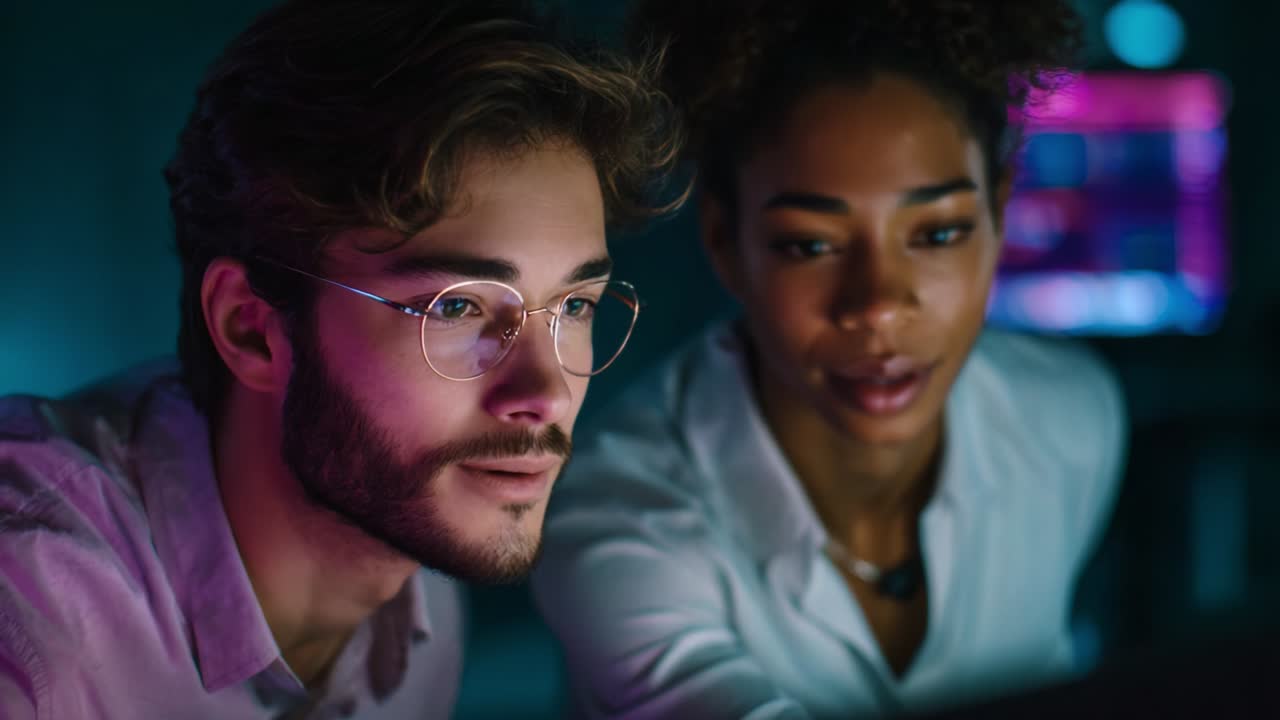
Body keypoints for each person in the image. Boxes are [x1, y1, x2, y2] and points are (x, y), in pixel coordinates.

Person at [0, 0, 682, 717]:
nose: (547, 395)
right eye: (457, 308)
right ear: (252, 329)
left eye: (574, 306)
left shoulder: (423, 581)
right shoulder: (32, 631)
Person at [532, 1, 1127, 717]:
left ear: (998, 215)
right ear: (725, 242)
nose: (878, 306)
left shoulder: (1070, 421)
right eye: (810, 244)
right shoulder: (617, 515)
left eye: (937, 234)